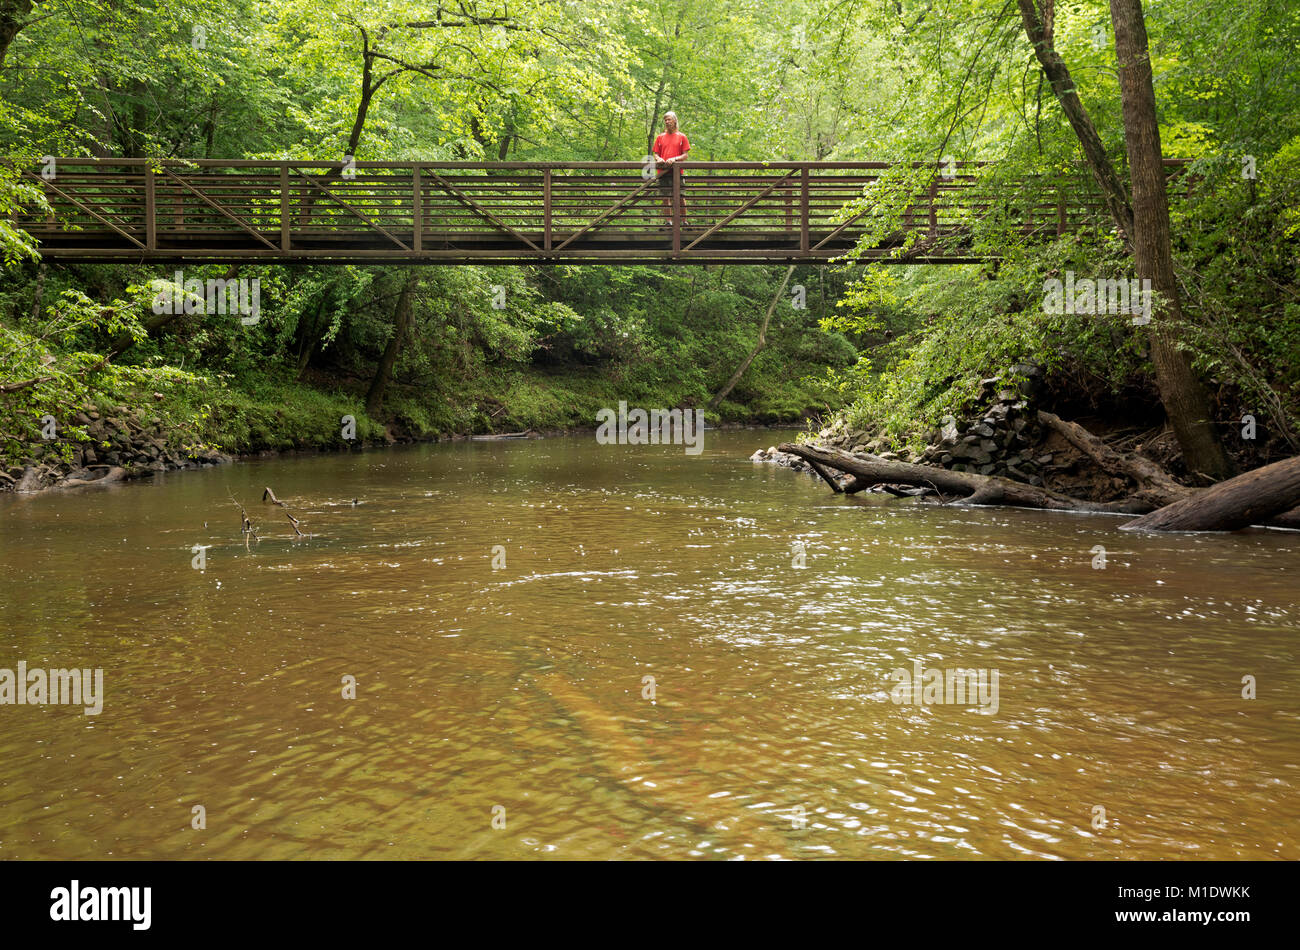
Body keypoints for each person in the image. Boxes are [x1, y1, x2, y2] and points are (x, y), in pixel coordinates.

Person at [652, 112, 690, 227]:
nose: (667, 122)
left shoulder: (682, 136)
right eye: (665, 120)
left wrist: (674, 159)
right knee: (665, 197)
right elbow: (656, 154)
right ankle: (668, 222)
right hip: (663, 172)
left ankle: (684, 222)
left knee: (681, 197)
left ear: (674, 121)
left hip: (677, 172)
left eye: (669, 120)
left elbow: (685, 155)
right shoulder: (660, 137)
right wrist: (659, 159)